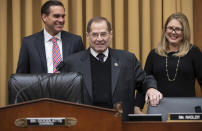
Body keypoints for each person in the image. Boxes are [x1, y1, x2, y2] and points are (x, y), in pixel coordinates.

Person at [63, 17, 163, 121]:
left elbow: (145, 80)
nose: (99, 39)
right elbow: (62, 95)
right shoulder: (72, 63)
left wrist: (151, 88)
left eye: (103, 34)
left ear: (111, 34)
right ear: (87, 36)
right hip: (85, 123)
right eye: (95, 34)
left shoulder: (128, 60)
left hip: (120, 123)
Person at [135, 13, 202, 113]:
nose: (173, 32)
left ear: (185, 32)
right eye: (170, 28)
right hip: (158, 108)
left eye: (178, 29)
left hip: (187, 110)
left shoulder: (194, 52)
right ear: (165, 30)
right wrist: (136, 107)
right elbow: (144, 82)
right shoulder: (154, 54)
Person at [16, 0, 84, 73]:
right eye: (56, 16)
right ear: (44, 17)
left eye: (63, 16)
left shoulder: (75, 41)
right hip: (38, 84)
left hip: (69, 84)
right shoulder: (29, 43)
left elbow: (83, 70)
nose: (61, 20)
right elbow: (21, 76)